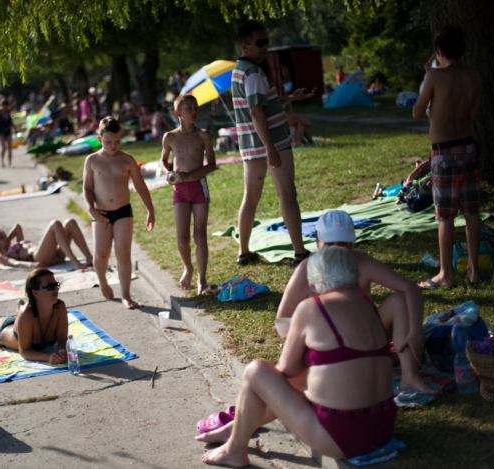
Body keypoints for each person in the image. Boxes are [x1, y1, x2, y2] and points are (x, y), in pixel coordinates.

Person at [197, 247, 396, 465]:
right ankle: (236, 429)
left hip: (342, 438)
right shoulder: (368, 306)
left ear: (313, 284)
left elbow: (287, 371)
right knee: (312, 372)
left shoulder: (311, 308)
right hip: (382, 428)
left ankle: (234, 449)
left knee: (257, 371)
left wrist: (296, 340)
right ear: (356, 275)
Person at [276, 210, 436, 394]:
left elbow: (411, 288)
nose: (336, 249)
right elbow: (282, 318)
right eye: (330, 244)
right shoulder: (305, 271)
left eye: (342, 244)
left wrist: (416, 331)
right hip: (327, 345)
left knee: (399, 300)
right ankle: (386, 359)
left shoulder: (360, 262)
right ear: (317, 241)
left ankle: (410, 376)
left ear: (352, 242)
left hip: (366, 334)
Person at [231, 21, 314, 266]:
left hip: (249, 145)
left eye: (266, 41)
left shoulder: (240, 69)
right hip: (272, 142)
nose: (265, 46)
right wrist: (271, 148)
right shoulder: (254, 72)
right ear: (245, 45)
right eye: (260, 42)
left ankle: (243, 252)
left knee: (251, 197)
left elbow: (261, 104)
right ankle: (300, 253)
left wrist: (287, 98)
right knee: (287, 194)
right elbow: (256, 112)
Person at [413, 25, 482, 288]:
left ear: (439, 51)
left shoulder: (434, 77)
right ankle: (474, 272)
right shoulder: (475, 77)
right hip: (468, 148)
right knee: (472, 211)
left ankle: (445, 274)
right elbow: (473, 116)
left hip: (444, 153)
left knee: (445, 215)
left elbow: (417, 113)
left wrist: (429, 79)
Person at [83, 117, 155, 309]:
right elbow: (87, 188)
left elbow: (140, 186)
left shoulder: (127, 160)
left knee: (123, 253)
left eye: (117, 141)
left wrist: (150, 209)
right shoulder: (92, 160)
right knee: (101, 255)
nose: (113, 145)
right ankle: (104, 282)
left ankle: (126, 295)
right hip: (101, 213)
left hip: (123, 211)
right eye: (108, 142)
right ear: (99, 140)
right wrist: (91, 208)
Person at [160, 95, 217, 294]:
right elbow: (163, 160)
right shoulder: (169, 137)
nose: (194, 112)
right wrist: (169, 173)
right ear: (178, 113)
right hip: (180, 191)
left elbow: (211, 164)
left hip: (199, 186)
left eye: (196, 108)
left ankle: (202, 280)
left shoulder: (203, 135)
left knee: (200, 234)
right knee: (182, 238)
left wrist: (190, 175)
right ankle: (188, 268)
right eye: (189, 109)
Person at [0, 269, 68, 364]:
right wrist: (48, 357)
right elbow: (25, 351)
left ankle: (19, 308)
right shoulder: (27, 314)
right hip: (1, 331)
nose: (56, 289)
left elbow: (62, 340)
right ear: (35, 292)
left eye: (56, 284)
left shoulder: (60, 307)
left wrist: (61, 351)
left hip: (23, 321)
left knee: (25, 315)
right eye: (50, 286)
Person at [0, 220, 94, 270]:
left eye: (4, 235)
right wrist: (31, 265)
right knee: (55, 224)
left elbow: (17, 227)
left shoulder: (17, 243)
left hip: (55, 254)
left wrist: (6, 241)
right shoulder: (3, 255)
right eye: (2, 237)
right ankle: (74, 261)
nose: (6, 237)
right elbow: (14, 263)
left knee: (70, 223)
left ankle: (89, 258)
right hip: (41, 258)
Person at [0, 98, 14, 167]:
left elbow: (10, 122)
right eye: (4, 105)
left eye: (6, 105)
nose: (5, 107)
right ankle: (2, 162)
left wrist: (15, 128)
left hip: (8, 131)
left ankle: (10, 163)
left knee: (10, 147)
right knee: (3, 148)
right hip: (0, 131)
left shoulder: (7, 112)